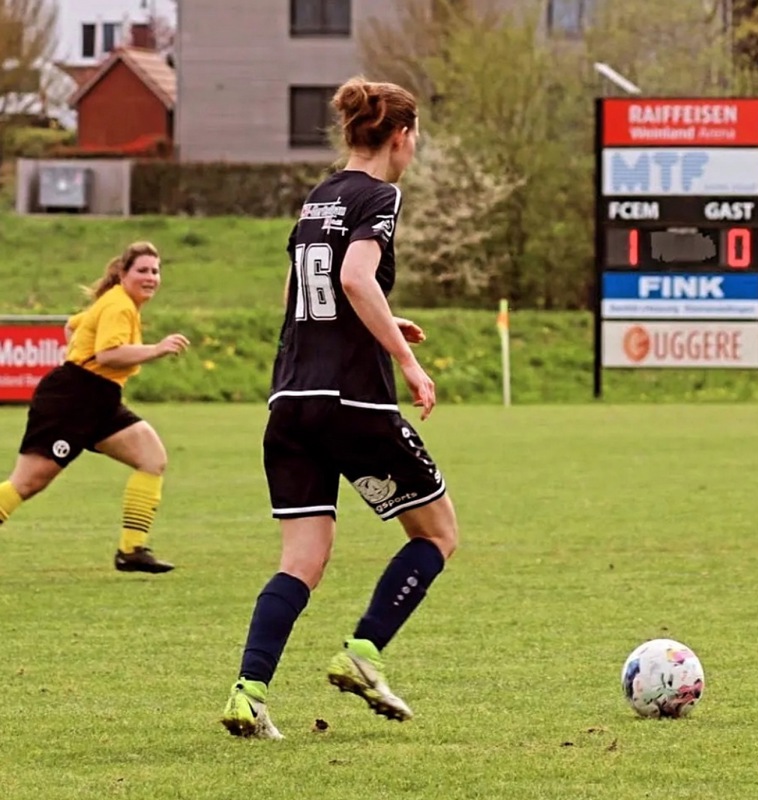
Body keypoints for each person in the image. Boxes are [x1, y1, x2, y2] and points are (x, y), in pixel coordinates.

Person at [220, 76, 458, 740]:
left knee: (302, 558)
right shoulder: (380, 194)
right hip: (351, 402)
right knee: (437, 534)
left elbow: (317, 295)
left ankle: (248, 693)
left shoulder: (317, 197)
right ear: (401, 136)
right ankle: (363, 653)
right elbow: (353, 278)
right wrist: (406, 362)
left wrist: (385, 319)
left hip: (291, 401)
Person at [0, 242, 188, 572]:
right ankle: (131, 550)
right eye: (142, 270)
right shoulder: (119, 306)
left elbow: (72, 325)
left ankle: (131, 550)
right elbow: (108, 354)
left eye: (155, 271)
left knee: (151, 457)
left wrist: (75, 358)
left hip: (99, 398)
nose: (151, 277)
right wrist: (155, 349)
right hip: (72, 400)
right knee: (28, 482)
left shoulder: (118, 302)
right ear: (122, 273)